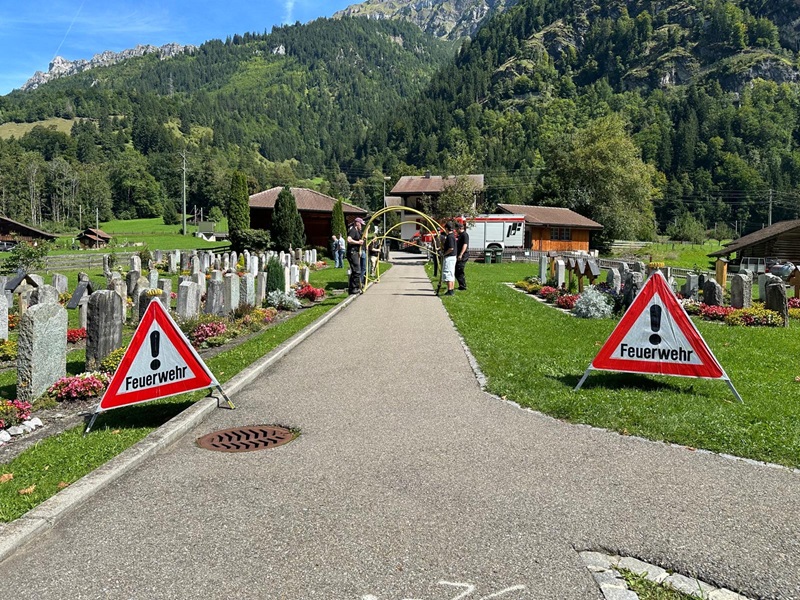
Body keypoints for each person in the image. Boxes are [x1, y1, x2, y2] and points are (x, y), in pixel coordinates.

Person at [346, 217, 365, 294]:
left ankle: (353, 288)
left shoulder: (358, 231)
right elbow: (349, 240)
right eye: (361, 224)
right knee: (357, 270)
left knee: (356, 270)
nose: (362, 226)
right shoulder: (353, 230)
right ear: (357, 223)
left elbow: (363, 237)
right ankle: (354, 288)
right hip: (352, 253)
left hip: (355, 253)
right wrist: (358, 242)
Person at [441, 221, 457, 296]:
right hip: (452, 257)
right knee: (451, 273)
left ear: (447, 228)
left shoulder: (450, 237)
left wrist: (444, 254)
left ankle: (450, 290)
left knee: (448, 273)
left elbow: (451, 248)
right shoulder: (452, 236)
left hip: (450, 257)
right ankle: (451, 289)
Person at [455, 222, 469, 291]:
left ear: (460, 228)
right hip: (459, 255)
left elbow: (465, 245)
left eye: (456, 229)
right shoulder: (459, 235)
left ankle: (463, 286)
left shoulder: (464, 235)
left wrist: (461, 254)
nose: (456, 230)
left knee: (459, 270)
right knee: (457, 270)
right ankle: (461, 285)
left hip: (463, 255)